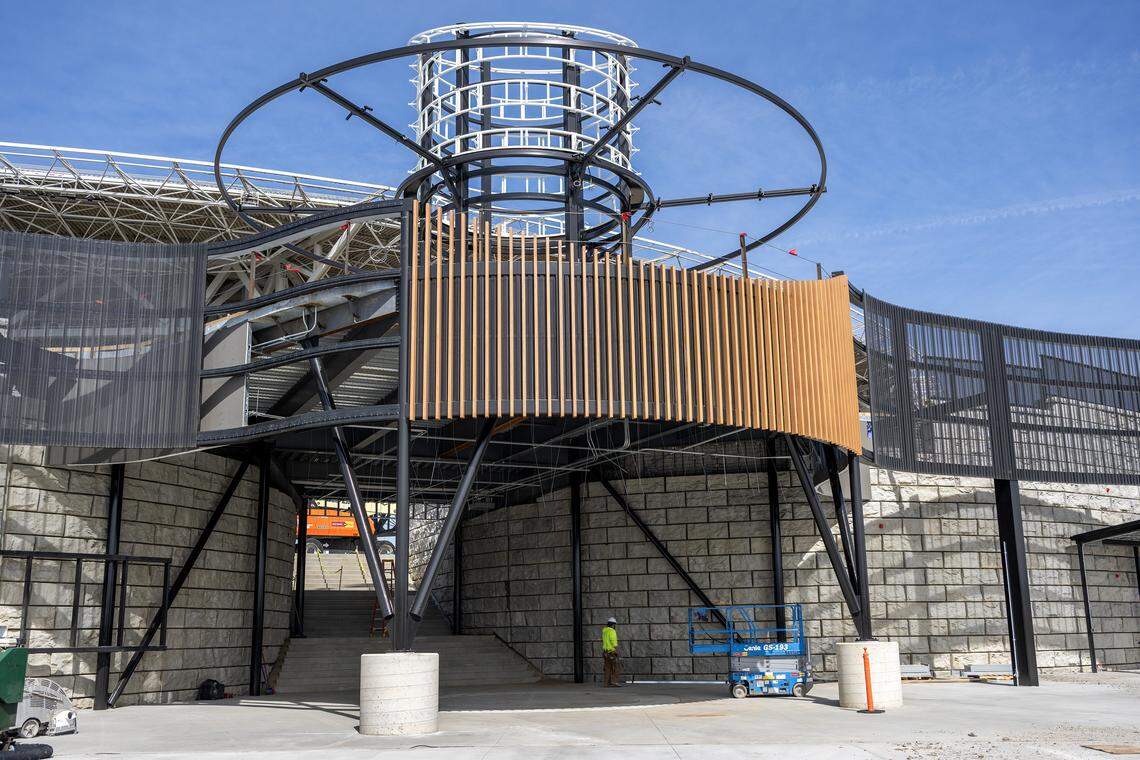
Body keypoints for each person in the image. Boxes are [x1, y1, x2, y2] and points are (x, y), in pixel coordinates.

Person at [602, 616, 622, 687]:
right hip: (611, 652)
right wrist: (617, 650)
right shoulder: (612, 631)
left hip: (605, 652)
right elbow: (613, 642)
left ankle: (606, 683)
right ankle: (614, 682)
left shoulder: (604, 631)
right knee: (616, 667)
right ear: (613, 625)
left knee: (607, 668)